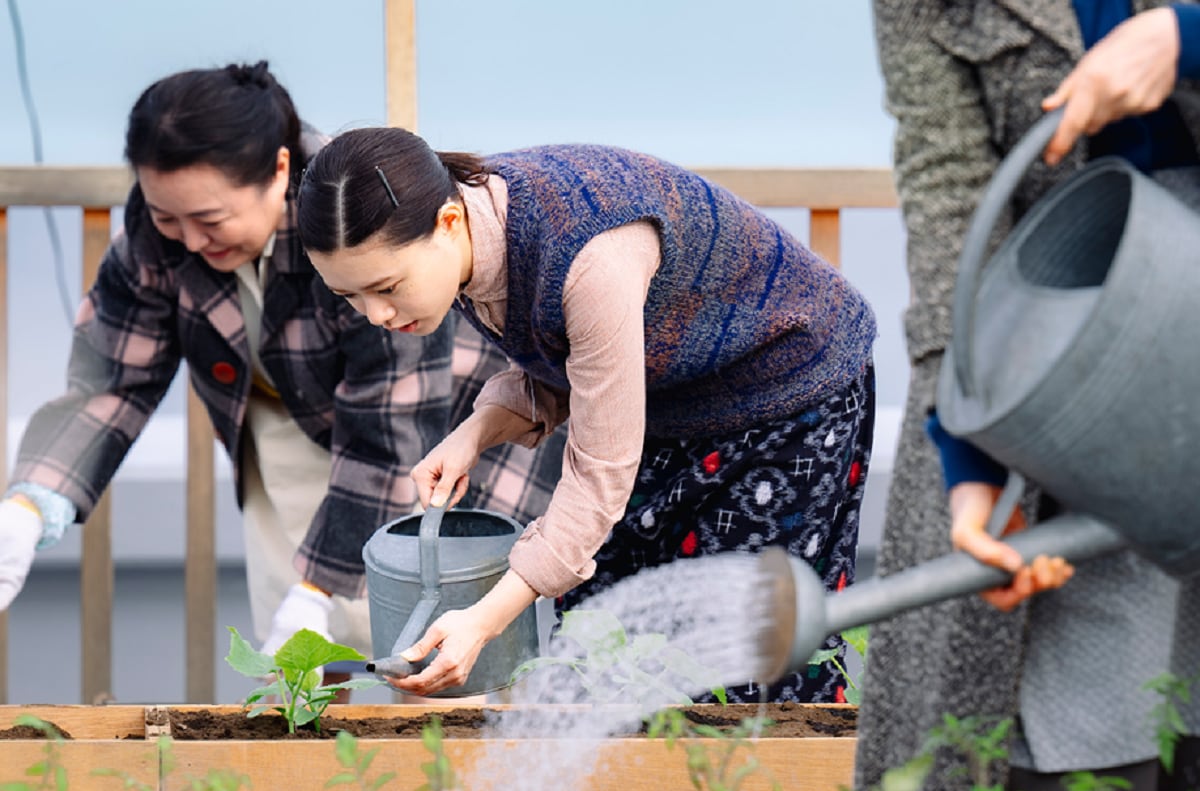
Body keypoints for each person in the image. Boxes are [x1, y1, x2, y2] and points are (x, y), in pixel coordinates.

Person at [0, 62, 562, 696]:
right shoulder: (161, 230)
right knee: (305, 657)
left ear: (278, 169)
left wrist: (317, 589)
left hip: (444, 428)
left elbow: (389, 425)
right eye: (166, 218)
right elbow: (109, 379)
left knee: (442, 638)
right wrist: (29, 502)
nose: (187, 239)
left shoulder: (350, 214)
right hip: (285, 428)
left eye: (210, 220)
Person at [294, 129, 877, 703]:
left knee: (739, 659)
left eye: (387, 287)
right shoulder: (470, 233)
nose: (375, 314)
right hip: (677, 396)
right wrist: (474, 434)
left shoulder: (588, 253)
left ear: (448, 223)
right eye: (350, 296)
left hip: (790, 388)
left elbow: (601, 475)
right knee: (598, 641)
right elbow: (572, 363)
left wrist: (485, 619)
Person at [861, 2, 1200, 791]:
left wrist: (1183, 36)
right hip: (1068, 327)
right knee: (1077, 703)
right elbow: (951, 188)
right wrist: (970, 450)